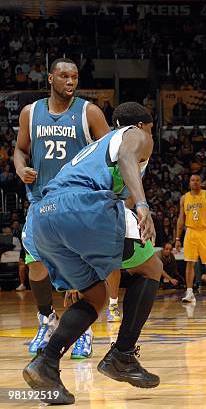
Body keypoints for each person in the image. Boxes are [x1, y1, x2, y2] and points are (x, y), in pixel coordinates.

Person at [22, 102, 161, 404]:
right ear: (143, 126)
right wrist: (142, 205)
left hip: (43, 218)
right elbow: (127, 156)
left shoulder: (95, 149)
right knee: (151, 268)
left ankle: (45, 363)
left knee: (95, 297)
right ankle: (122, 355)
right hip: (81, 208)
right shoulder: (134, 135)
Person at [13, 57, 113, 358]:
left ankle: (83, 331)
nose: (71, 82)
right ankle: (46, 320)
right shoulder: (31, 113)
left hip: (78, 203)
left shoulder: (89, 112)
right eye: (65, 76)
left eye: (75, 77)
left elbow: (112, 153)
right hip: (41, 200)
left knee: (80, 272)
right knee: (35, 264)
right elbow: (20, 149)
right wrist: (20, 168)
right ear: (50, 79)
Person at [175, 174, 206, 302]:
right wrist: (177, 238)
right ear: (189, 183)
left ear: (201, 182)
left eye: (197, 180)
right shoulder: (184, 198)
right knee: (189, 263)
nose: (195, 182)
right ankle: (189, 292)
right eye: (192, 180)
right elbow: (180, 218)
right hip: (190, 231)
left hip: (205, 231)